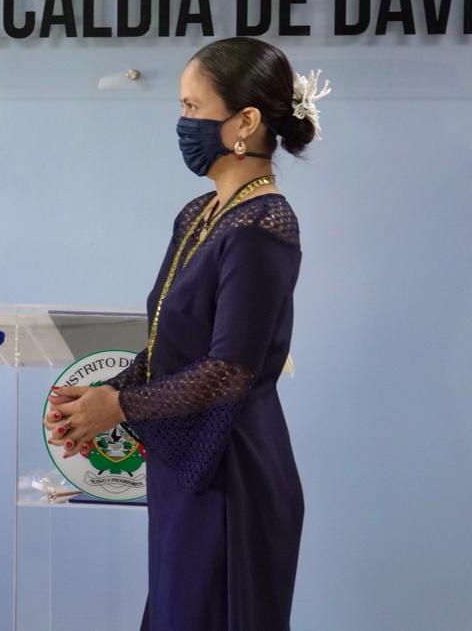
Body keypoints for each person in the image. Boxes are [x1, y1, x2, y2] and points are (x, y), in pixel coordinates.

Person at [45, 37, 328, 630]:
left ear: (245, 122)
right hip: (186, 465)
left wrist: (117, 404)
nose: (183, 123)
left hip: (233, 474)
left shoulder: (262, 225)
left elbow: (229, 372)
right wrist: (94, 405)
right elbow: (168, 344)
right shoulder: (200, 213)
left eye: (193, 108)